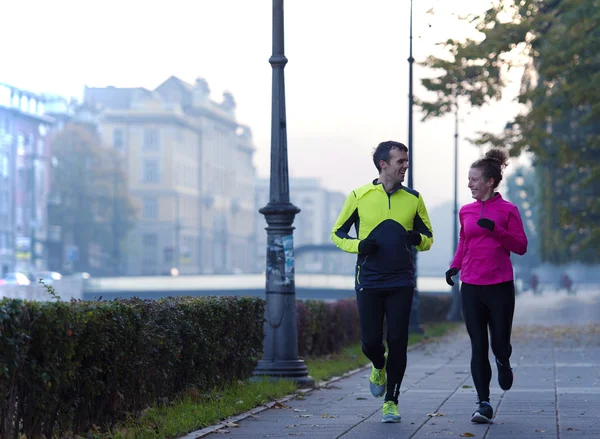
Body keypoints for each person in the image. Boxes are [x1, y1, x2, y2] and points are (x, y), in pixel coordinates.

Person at [331, 141, 434, 423]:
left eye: (407, 161)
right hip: (369, 279)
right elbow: (337, 234)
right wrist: (360, 246)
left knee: (399, 341)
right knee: (370, 343)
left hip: (401, 279)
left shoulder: (413, 198)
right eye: (400, 161)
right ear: (383, 164)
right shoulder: (359, 196)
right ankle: (378, 365)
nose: (405, 166)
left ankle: (391, 401)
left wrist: (418, 239)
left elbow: (428, 238)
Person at [445, 148, 528, 424]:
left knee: (499, 344)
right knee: (478, 345)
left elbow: (521, 246)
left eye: (473, 179)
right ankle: (483, 403)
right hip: (470, 286)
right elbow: (464, 242)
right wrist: (455, 266)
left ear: (490, 181)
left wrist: (495, 229)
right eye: (468, 179)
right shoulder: (466, 211)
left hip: (500, 286)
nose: (469, 184)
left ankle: (503, 362)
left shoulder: (508, 210)